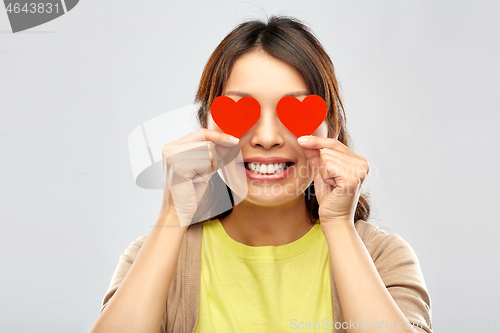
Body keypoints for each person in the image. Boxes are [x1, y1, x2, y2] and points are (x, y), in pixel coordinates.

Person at [89, 15, 432, 333]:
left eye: (293, 112)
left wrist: (339, 226)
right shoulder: (158, 256)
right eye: (241, 111)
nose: (267, 138)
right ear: (205, 125)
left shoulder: (381, 256)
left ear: (332, 128)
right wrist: (171, 216)